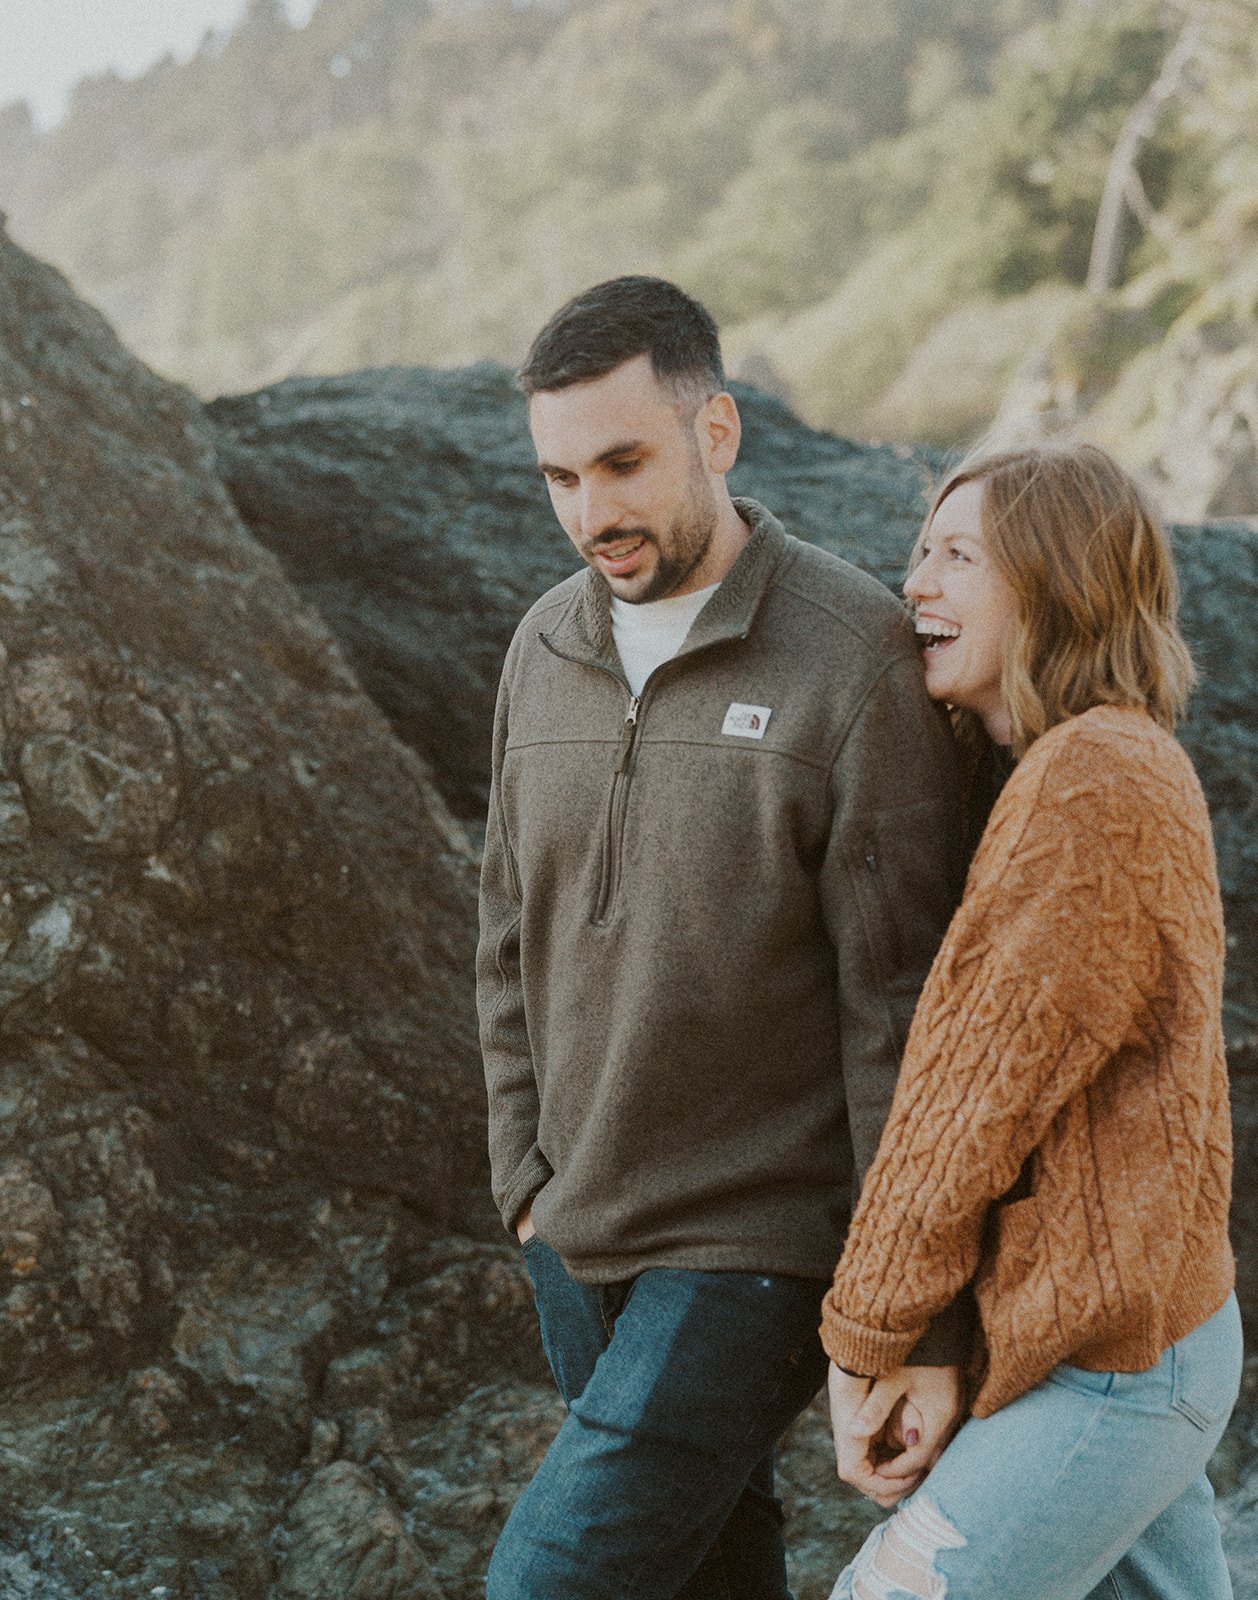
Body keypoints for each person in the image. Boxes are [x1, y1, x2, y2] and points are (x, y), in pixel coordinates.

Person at [476, 275, 972, 1599]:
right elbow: (504, 921)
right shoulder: (542, 647)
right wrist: (519, 1171)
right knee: (705, 1567)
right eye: (560, 477)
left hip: (756, 1235)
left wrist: (905, 1307)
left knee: (549, 1581)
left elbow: (899, 1006)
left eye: (623, 463)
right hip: (575, 1229)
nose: (592, 514)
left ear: (717, 433)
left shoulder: (852, 653)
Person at [822, 441, 1241, 1600]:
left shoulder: (1091, 779)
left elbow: (969, 1099)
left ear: (1055, 580)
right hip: (1138, 1339)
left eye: (959, 556)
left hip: (1114, 1367)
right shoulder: (1089, 763)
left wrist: (869, 1336)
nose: (916, 584)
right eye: (921, 551)